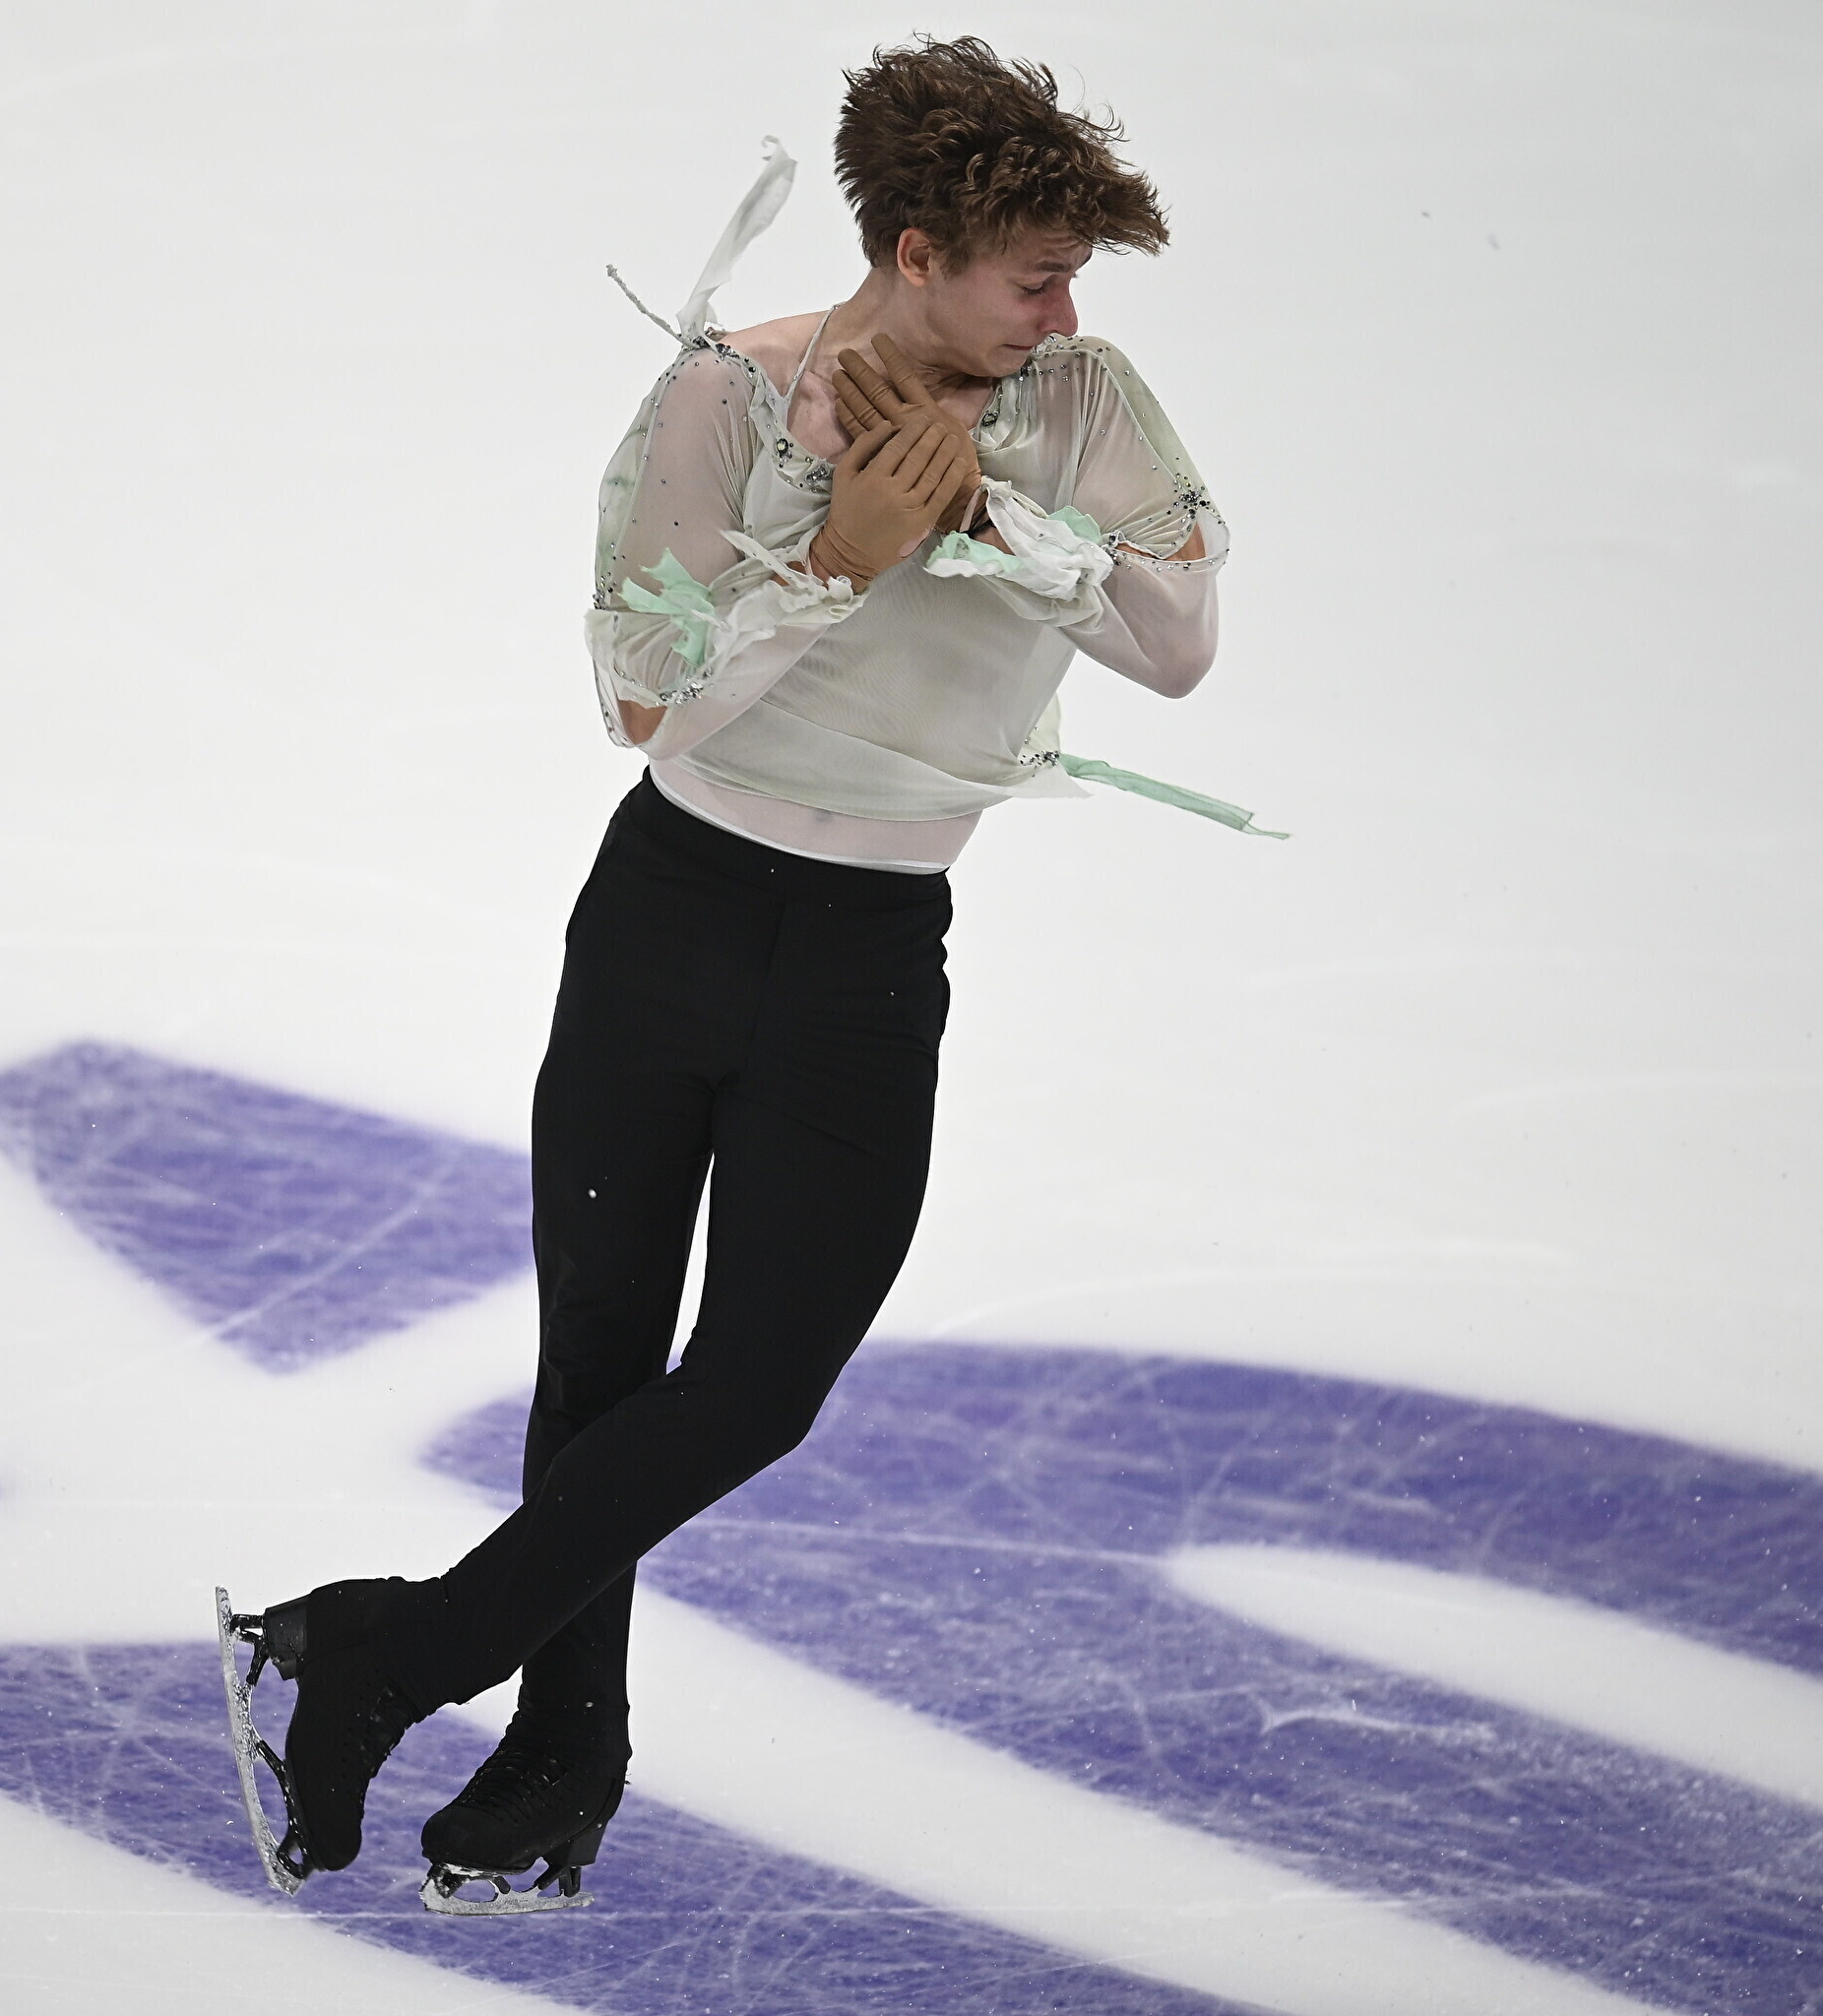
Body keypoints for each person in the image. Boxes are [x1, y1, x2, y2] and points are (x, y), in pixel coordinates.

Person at [227, 34, 1233, 1912]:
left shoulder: (1083, 406)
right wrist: (840, 556)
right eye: (1035, 278)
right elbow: (638, 699)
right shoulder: (728, 395)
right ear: (917, 253)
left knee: (759, 1383)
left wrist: (989, 515)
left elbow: (1178, 646)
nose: (1066, 314)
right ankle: (560, 1759)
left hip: (868, 957)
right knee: (601, 1368)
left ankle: (385, 1650)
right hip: (671, 920)